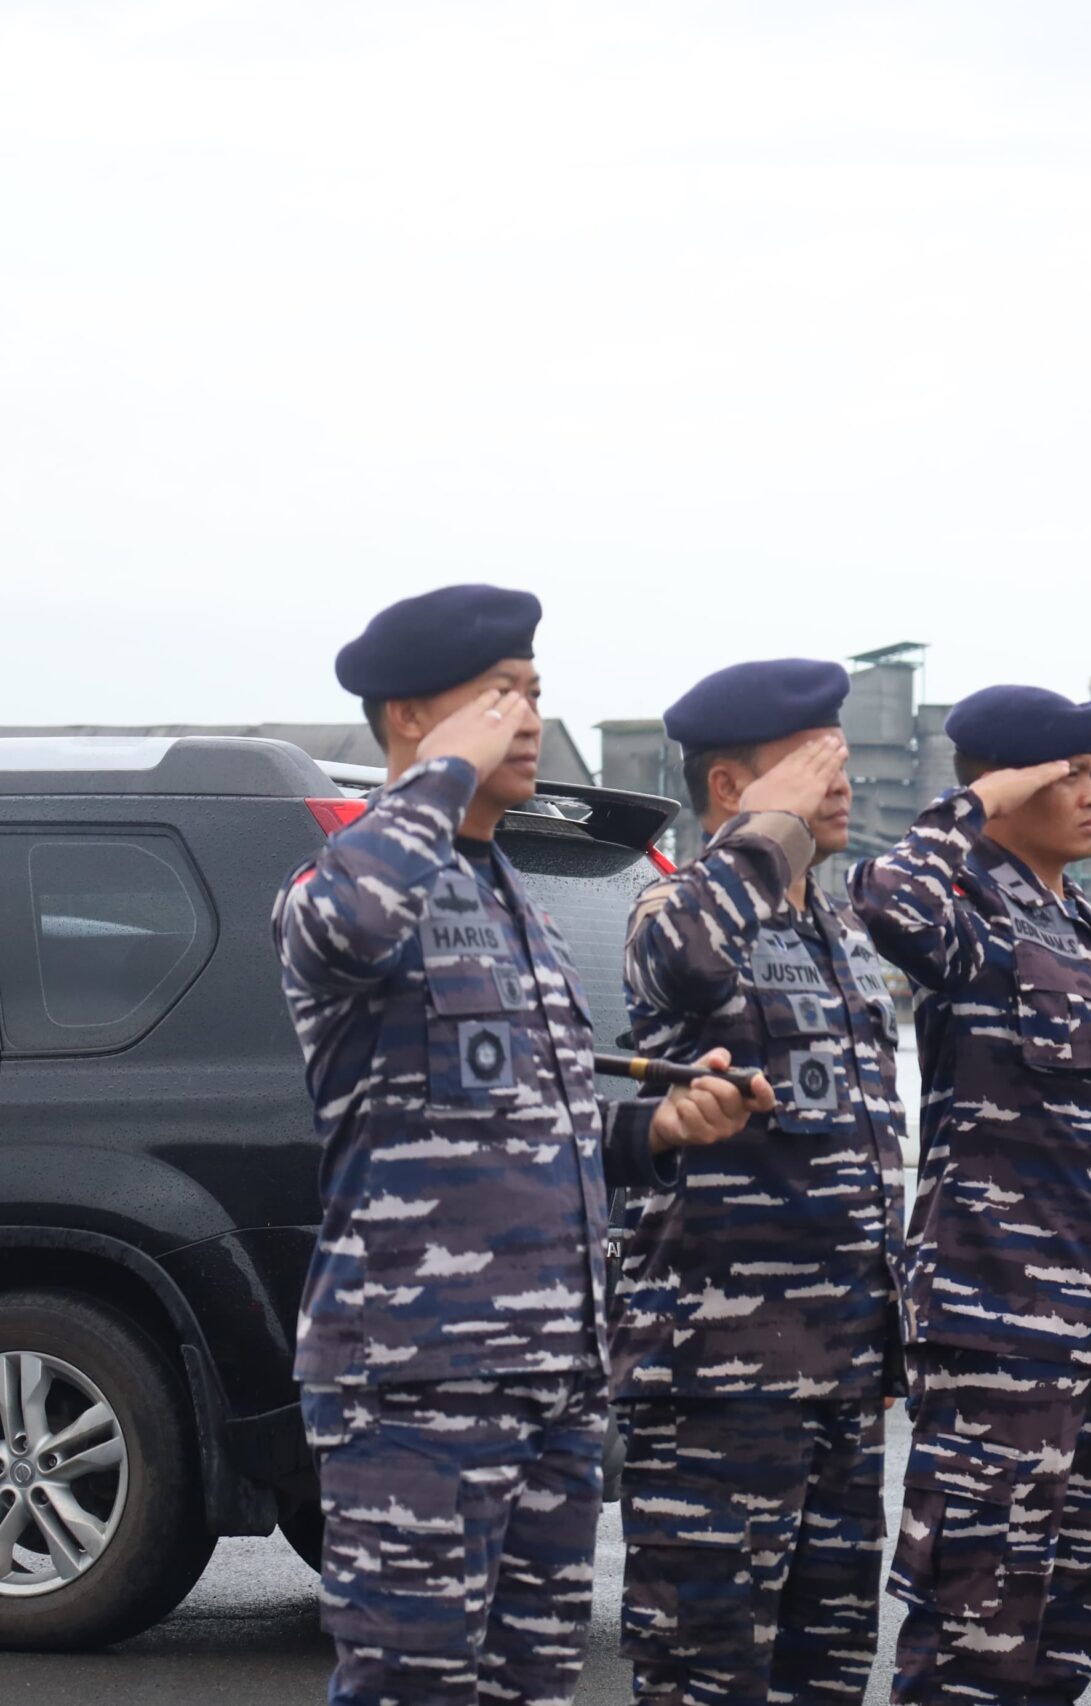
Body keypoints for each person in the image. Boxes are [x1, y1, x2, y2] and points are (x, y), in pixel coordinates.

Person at [275, 585, 762, 1706]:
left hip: (552, 1372)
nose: (529, 718)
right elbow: (347, 925)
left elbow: (538, 1125)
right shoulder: (344, 881)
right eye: (500, 694)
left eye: (536, 692)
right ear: (408, 715)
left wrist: (656, 1130)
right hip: (418, 1378)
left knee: (529, 1686)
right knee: (411, 1684)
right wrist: (441, 773)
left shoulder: (514, 904)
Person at [615, 659, 911, 1703]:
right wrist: (761, 839)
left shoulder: (839, 932)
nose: (841, 776)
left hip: (838, 1372)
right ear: (734, 786)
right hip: (718, 1378)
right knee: (707, 1671)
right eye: (811, 759)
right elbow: (687, 965)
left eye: (841, 751)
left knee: (825, 1670)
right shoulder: (680, 906)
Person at [850, 684, 1091, 1706]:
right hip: (996, 1328)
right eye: (1065, 774)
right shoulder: (965, 909)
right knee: (975, 1624)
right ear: (1003, 784)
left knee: (1067, 1622)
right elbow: (883, 893)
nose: (1090, 794)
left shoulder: (1076, 922)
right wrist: (972, 804)